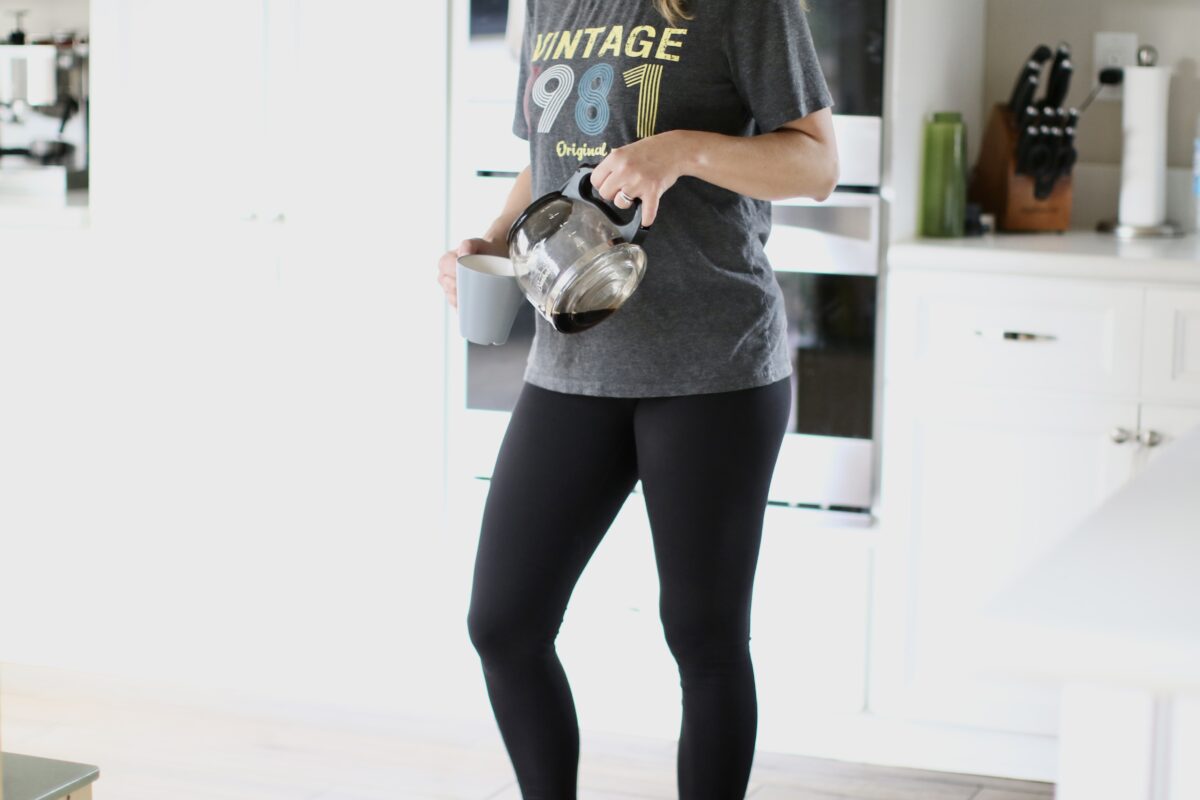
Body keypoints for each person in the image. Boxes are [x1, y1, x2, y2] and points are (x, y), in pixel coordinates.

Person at [436, 0, 838, 796]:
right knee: (505, 624)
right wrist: (494, 237)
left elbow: (816, 164)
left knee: (704, 639)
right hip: (574, 359)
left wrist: (681, 151)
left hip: (712, 365)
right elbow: (548, 163)